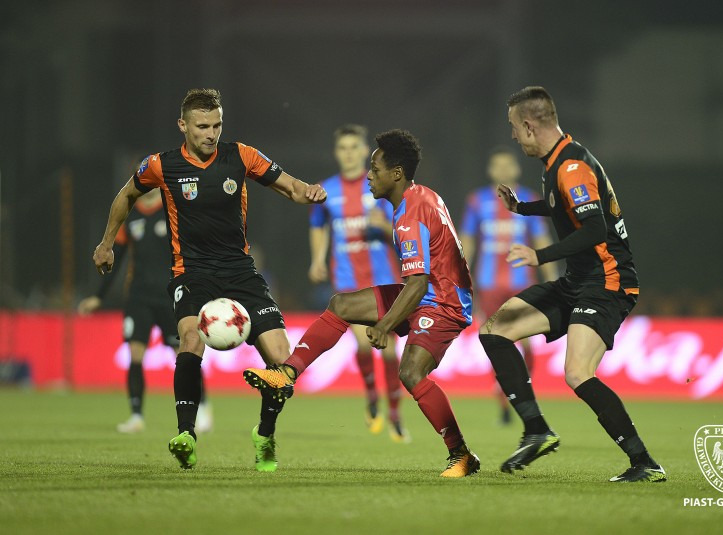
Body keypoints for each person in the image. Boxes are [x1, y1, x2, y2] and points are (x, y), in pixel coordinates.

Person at [91, 88, 326, 471]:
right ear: (183, 125)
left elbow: (291, 188)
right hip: (192, 272)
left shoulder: (241, 156)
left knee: (282, 361)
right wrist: (106, 243)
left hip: (240, 272)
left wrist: (310, 192)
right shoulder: (162, 165)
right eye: (202, 126)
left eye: (216, 125)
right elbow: (127, 195)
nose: (211, 133)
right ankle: (186, 434)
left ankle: (265, 433)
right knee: (189, 338)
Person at [243, 130, 480, 477]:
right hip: (429, 292)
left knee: (411, 372)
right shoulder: (420, 196)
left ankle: (461, 454)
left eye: (375, 169)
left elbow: (417, 283)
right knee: (341, 305)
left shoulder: (410, 215)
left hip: (443, 302)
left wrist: (385, 325)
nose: (369, 176)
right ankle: (286, 374)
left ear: (396, 174)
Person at [479, 86, 665, 483]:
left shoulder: (571, 167)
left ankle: (644, 462)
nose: (513, 135)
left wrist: (540, 256)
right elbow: (562, 205)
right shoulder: (557, 162)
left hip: (607, 281)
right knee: (495, 329)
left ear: (529, 126)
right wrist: (522, 208)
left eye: (514, 126)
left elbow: (595, 228)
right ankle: (536, 431)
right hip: (578, 281)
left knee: (578, 373)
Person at [79, 188, 212, 434]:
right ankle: (136, 416)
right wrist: (99, 296)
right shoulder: (130, 216)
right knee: (135, 354)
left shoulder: (172, 210)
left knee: (186, 354)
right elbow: (116, 257)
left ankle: (202, 409)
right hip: (138, 297)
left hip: (170, 296)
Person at [308, 124, 409, 442]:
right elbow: (318, 225)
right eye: (343, 148)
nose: (349, 153)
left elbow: (404, 227)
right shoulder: (326, 190)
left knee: (389, 349)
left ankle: (395, 413)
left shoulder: (380, 186)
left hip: (383, 278)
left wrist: (385, 226)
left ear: (366, 151)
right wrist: (317, 259)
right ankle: (371, 394)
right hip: (348, 279)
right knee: (364, 343)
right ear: (336, 153)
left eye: (354, 147)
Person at [459, 146, 558, 424]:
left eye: (507, 165)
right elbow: (468, 240)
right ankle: (505, 397)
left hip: (521, 281)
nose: (503, 170)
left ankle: (522, 389)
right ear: (490, 170)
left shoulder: (529, 200)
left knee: (526, 342)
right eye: (497, 165)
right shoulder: (477, 201)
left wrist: (552, 278)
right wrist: (462, 275)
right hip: (488, 284)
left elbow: (541, 240)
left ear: (516, 169)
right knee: (496, 340)